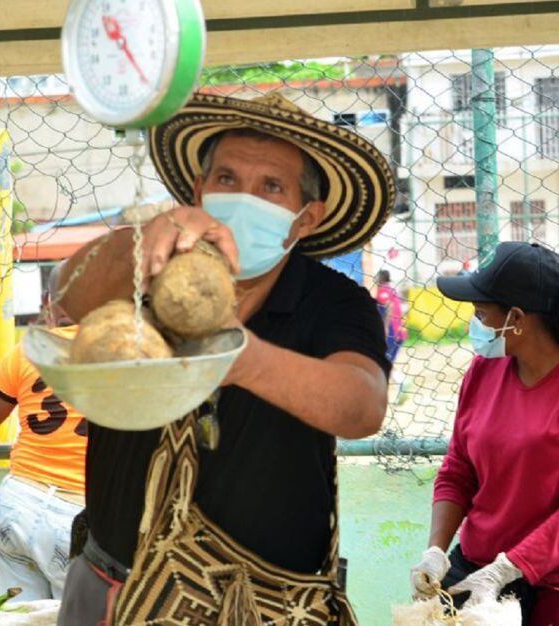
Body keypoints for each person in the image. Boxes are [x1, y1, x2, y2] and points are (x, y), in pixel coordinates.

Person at [55, 92, 395, 624]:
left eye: (272, 187)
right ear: (198, 190)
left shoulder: (333, 301)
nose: (243, 198)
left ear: (306, 219)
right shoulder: (147, 265)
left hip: (264, 602)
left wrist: (241, 357)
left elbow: (363, 405)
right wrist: (141, 239)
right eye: (228, 179)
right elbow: (67, 293)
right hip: (110, 586)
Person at [409, 241, 559, 625]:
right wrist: (436, 552)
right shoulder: (483, 372)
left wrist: (511, 567)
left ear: (518, 318)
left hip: (546, 584)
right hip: (474, 569)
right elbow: (458, 467)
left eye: (480, 313)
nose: (473, 324)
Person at [0, 264, 88, 601]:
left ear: (48, 304)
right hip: (77, 516)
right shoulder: (122, 354)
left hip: (16, 506)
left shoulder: (27, 352)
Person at [375, 269, 410, 401]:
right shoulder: (392, 289)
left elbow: (388, 308)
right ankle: (398, 384)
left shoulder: (384, 290)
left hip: (392, 331)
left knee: (384, 360)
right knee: (386, 360)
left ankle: (401, 382)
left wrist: (384, 327)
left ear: (381, 278)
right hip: (399, 330)